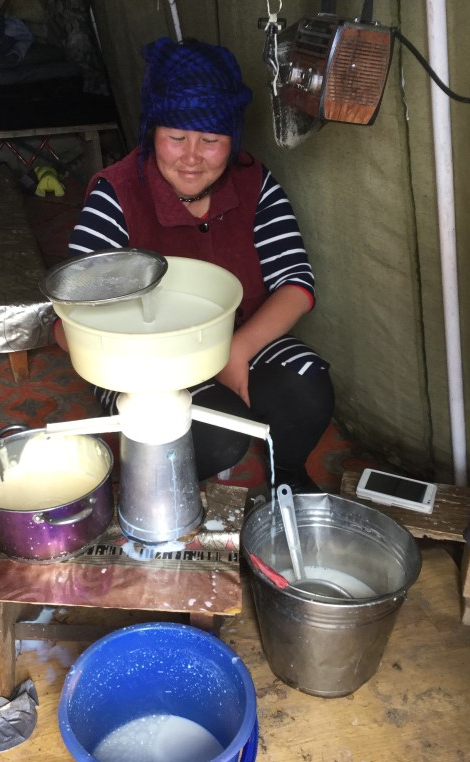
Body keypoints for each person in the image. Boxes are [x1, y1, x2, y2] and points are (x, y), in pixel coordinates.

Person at [55, 36, 334, 492]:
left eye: (210, 140)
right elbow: (71, 316)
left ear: (232, 138)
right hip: (144, 361)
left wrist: (236, 350)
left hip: (239, 336)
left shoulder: (254, 182)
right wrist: (152, 373)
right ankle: (166, 488)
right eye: (175, 137)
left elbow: (296, 283)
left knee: (305, 386)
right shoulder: (117, 193)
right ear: (152, 132)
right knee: (208, 434)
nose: (190, 158)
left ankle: (285, 474)